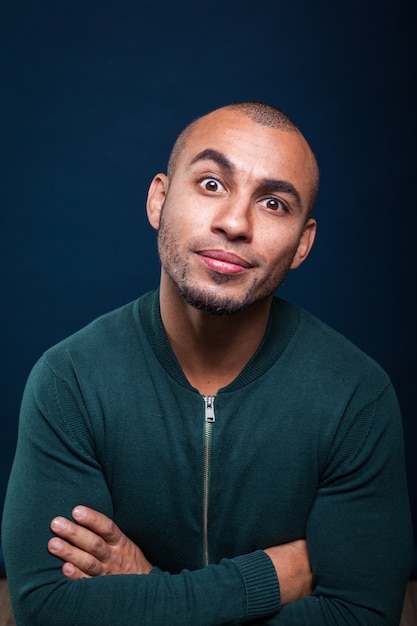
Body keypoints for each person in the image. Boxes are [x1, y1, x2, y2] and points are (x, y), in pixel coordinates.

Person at [2, 102, 412, 625]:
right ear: (159, 199)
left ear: (303, 244)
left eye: (273, 204)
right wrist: (271, 576)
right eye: (212, 184)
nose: (235, 222)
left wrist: (148, 592)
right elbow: (47, 610)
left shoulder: (357, 396)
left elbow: (362, 616)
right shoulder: (70, 381)